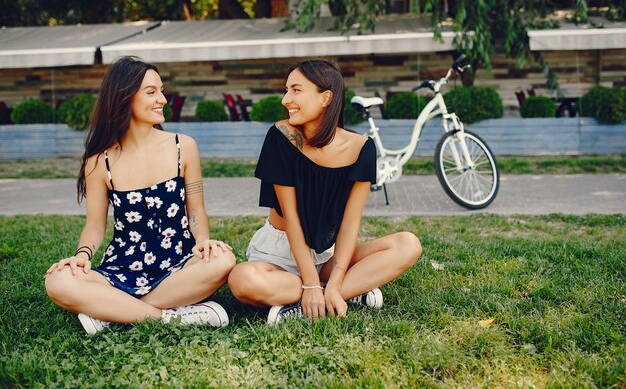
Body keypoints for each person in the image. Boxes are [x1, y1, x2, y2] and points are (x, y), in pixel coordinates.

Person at [44, 56, 236, 334]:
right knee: (58, 281)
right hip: (123, 267)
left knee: (223, 260)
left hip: (180, 264)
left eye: (161, 90)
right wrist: (82, 256)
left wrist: (204, 241)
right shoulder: (99, 163)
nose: (163, 100)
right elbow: (95, 226)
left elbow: (195, 211)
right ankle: (168, 317)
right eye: (151, 92)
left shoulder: (184, 147)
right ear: (125, 98)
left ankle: (113, 312)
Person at [228, 59, 422, 324]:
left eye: (296, 90)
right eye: (286, 90)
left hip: (327, 256)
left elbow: (350, 224)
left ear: (325, 98)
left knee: (407, 244)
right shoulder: (282, 136)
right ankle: (345, 293)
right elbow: (292, 217)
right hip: (280, 256)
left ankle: (326, 295)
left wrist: (336, 278)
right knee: (242, 280)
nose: (286, 99)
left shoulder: (361, 148)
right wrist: (309, 284)